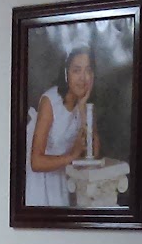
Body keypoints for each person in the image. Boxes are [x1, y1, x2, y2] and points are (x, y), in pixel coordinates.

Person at [24, 46, 98, 206]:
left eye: (88, 71)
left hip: (61, 180)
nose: (83, 78)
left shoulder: (83, 106)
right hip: (40, 182)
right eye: (76, 70)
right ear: (66, 73)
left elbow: (93, 154)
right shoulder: (50, 102)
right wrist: (72, 156)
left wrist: (82, 108)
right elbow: (36, 162)